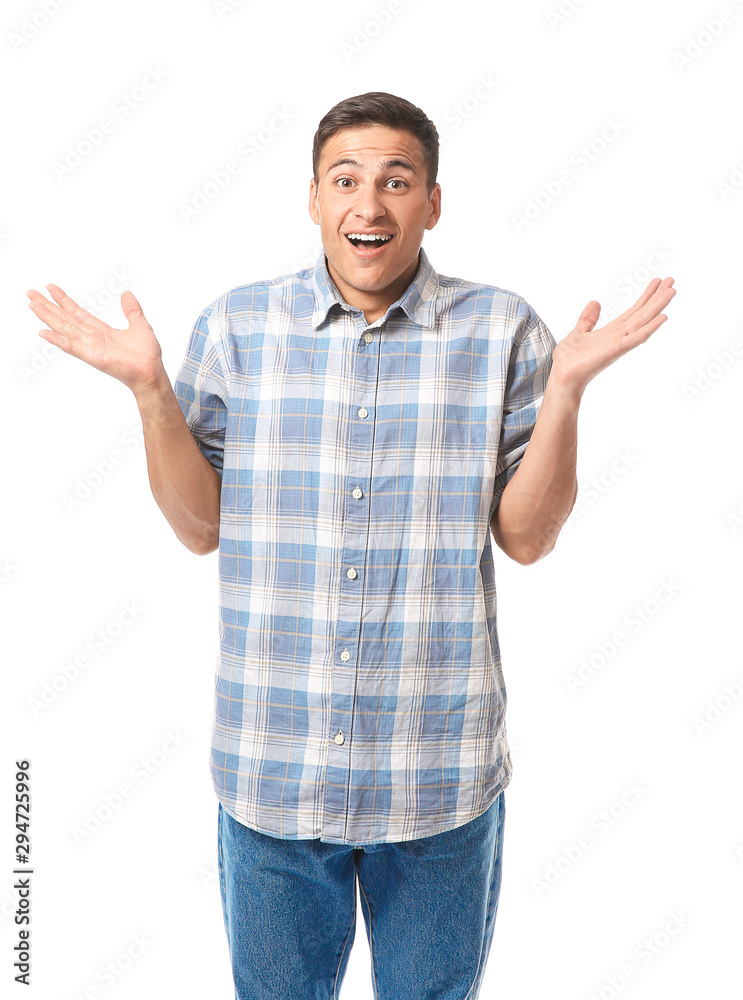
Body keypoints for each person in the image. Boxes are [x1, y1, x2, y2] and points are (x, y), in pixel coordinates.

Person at [27, 91, 676, 1000]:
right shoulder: (237, 330)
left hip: (439, 775)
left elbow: (527, 538)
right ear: (314, 198)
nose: (369, 204)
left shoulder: (502, 332)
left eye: (396, 181)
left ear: (432, 201)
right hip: (272, 772)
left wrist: (566, 392)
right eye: (347, 180)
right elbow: (198, 527)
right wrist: (147, 394)